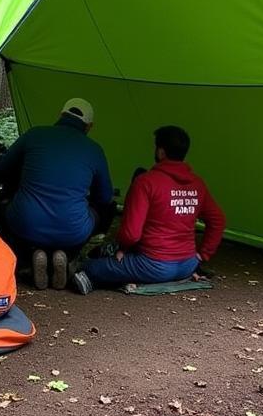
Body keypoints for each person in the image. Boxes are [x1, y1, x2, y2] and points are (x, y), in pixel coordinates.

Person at [71, 125, 225, 295]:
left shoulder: (146, 182)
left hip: (153, 264)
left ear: (161, 152)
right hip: (187, 265)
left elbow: (131, 233)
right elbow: (218, 220)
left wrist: (122, 248)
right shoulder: (197, 184)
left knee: (88, 266)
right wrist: (202, 255)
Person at [0, 98, 114, 290]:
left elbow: (2, 168)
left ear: (61, 115)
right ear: (89, 126)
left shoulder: (34, 135)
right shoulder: (94, 150)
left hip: (26, 224)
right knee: (102, 211)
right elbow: (105, 197)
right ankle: (68, 256)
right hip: (72, 230)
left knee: (3, 206)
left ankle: (27, 258)